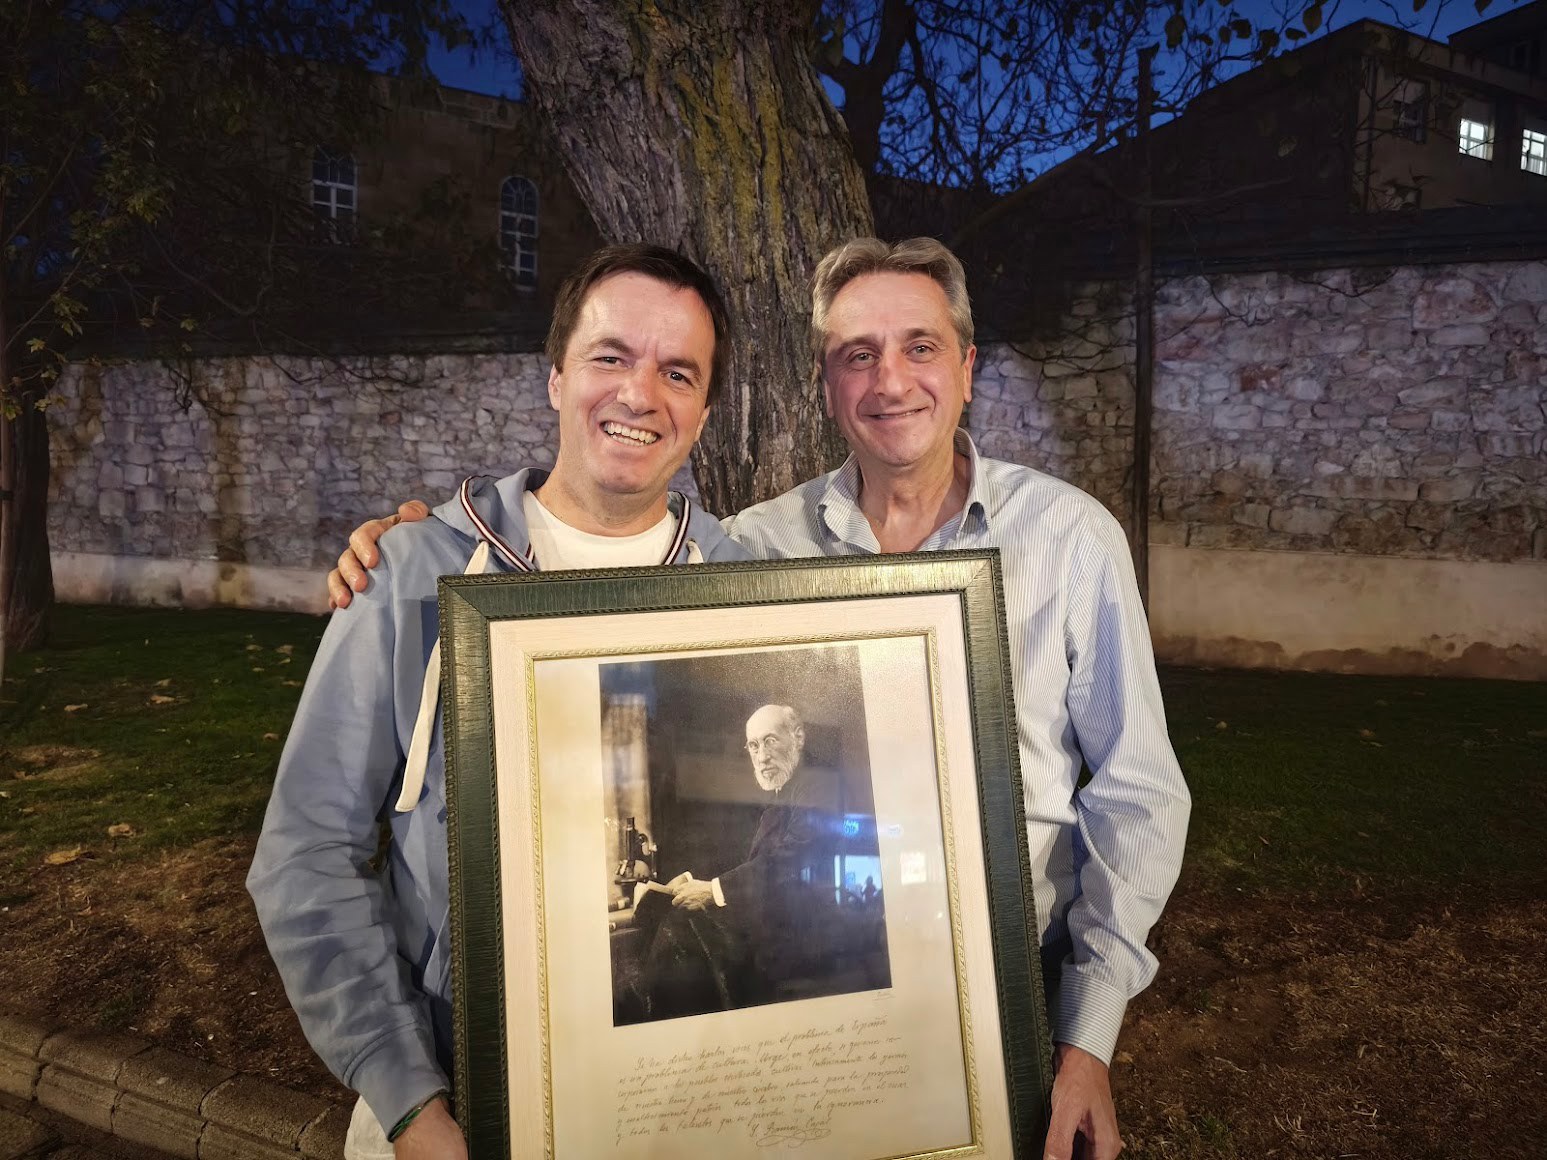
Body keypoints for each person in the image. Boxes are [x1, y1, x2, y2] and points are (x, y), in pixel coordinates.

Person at [328, 237, 1191, 1160]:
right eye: (856, 355)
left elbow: (1137, 795)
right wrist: (408, 548)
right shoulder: (755, 555)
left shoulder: (1072, 541)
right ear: (825, 384)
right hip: (822, 1013)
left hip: (1008, 1009)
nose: (889, 380)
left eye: (920, 346)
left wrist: (1086, 1037)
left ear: (968, 367)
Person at [247, 244, 749, 1160]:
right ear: (555, 378)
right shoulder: (410, 576)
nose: (641, 394)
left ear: (704, 410)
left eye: (678, 371)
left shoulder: (753, 594)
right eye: (610, 356)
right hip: (454, 1104)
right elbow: (304, 851)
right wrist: (407, 1102)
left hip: (689, 1100)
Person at [642, 704, 847, 1018]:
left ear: (798, 737)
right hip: (776, 937)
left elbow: (787, 861)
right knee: (678, 927)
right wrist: (692, 879)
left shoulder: (818, 783)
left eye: (770, 741)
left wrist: (713, 890)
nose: (761, 756)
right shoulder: (785, 789)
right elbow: (755, 860)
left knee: (679, 936)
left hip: (801, 946)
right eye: (753, 745)